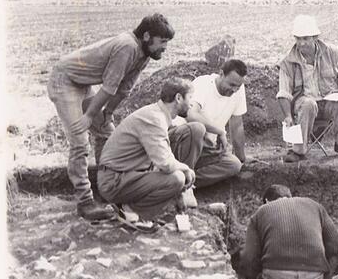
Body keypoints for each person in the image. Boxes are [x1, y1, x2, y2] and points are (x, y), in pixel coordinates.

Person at [47, 13, 174, 220]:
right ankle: (85, 202)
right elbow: (109, 86)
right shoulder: (127, 46)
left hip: (83, 84)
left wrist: (108, 113)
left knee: (107, 132)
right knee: (80, 142)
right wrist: (89, 116)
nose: (165, 47)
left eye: (167, 42)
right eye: (162, 41)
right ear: (147, 36)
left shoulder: (144, 54)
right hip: (65, 81)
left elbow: (124, 89)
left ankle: (106, 188)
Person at [235, 184, 338, 279]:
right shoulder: (315, 206)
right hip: (313, 278)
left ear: (267, 201)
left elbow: (248, 258)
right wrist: (326, 277)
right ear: (290, 196)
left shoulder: (261, 212)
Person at [97, 78, 197, 231]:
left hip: (122, 176)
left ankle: (130, 207)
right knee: (177, 178)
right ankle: (131, 211)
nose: (192, 103)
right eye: (190, 97)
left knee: (175, 177)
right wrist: (186, 169)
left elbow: (158, 162)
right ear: (178, 98)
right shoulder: (154, 119)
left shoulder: (157, 115)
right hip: (114, 181)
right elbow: (165, 163)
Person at [277, 14, 338, 163]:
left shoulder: (331, 52)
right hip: (304, 106)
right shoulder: (288, 61)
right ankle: (298, 151)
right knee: (308, 104)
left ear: (315, 37)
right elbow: (283, 93)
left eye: (305, 38)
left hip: (328, 101)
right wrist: (287, 115)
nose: (301, 43)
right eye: (298, 39)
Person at [169, 59, 247, 206]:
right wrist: (219, 131)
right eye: (231, 85)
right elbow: (191, 115)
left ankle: (177, 183)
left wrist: (242, 158)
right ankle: (185, 189)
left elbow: (237, 125)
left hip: (206, 148)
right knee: (197, 129)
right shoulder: (203, 84)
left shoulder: (238, 90)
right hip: (183, 141)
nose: (234, 90)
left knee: (233, 165)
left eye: (238, 86)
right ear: (221, 74)